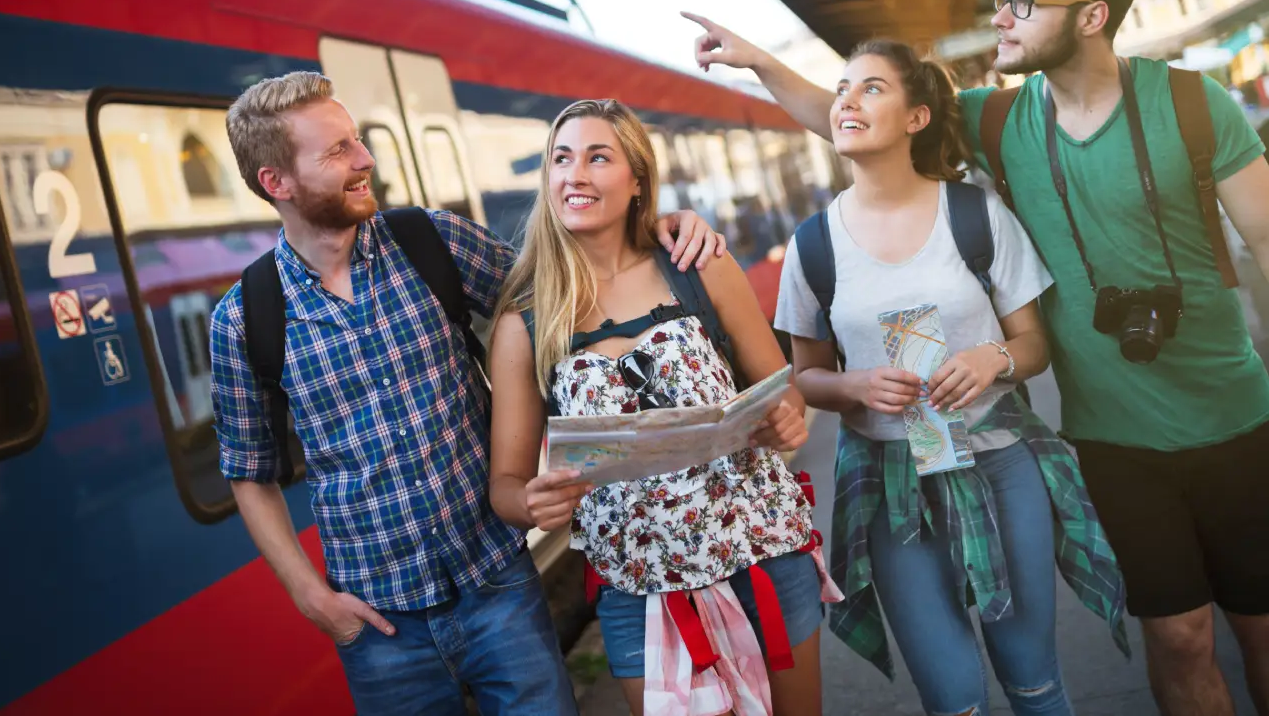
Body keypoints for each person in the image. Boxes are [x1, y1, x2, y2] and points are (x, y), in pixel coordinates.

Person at [686, 0, 1269, 716]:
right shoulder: (997, 122)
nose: (1000, 16)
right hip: (1113, 439)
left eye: (1022, 2)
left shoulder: (1192, 104)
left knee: (1261, 630)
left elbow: (1266, 235)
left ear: (1091, 15)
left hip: (1240, 417)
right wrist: (758, 65)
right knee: (1182, 639)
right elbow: (855, 113)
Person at [208, 72, 727, 716]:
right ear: (276, 183)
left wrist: (654, 228)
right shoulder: (245, 318)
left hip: (497, 584)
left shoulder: (430, 241)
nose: (365, 159)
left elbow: (569, 297)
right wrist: (312, 598)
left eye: (357, 141)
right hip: (377, 625)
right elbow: (250, 473)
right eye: (337, 151)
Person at [773, 41, 1127, 715]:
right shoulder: (813, 243)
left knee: (1035, 680)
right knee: (954, 699)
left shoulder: (973, 213)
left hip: (1000, 466)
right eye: (842, 87)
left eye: (871, 87)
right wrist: (855, 387)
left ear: (917, 117)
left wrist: (992, 358)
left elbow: (1033, 344)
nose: (846, 99)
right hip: (890, 485)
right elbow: (808, 375)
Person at [485, 97, 831, 716]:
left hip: (764, 557)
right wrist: (531, 503)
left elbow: (785, 391)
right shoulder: (527, 321)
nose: (575, 175)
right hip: (638, 591)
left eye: (598, 157)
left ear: (636, 179)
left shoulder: (697, 266)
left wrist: (783, 416)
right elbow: (506, 488)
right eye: (561, 159)